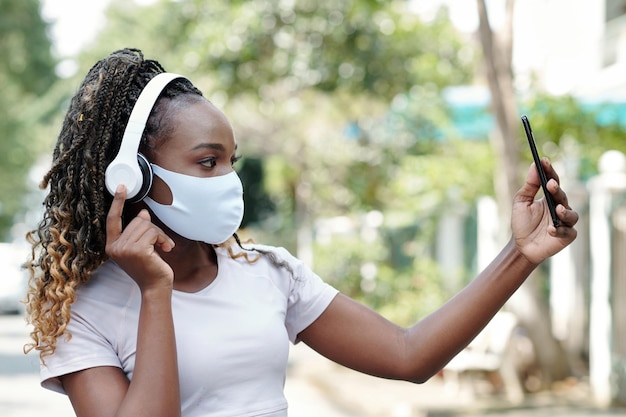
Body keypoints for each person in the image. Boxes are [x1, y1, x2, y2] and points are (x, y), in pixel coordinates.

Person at [24, 48, 578, 417]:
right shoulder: (85, 309)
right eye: (207, 162)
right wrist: (154, 292)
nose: (229, 180)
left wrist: (521, 254)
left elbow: (410, 356)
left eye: (231, 161)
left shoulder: (269, 272)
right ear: (132, 176)